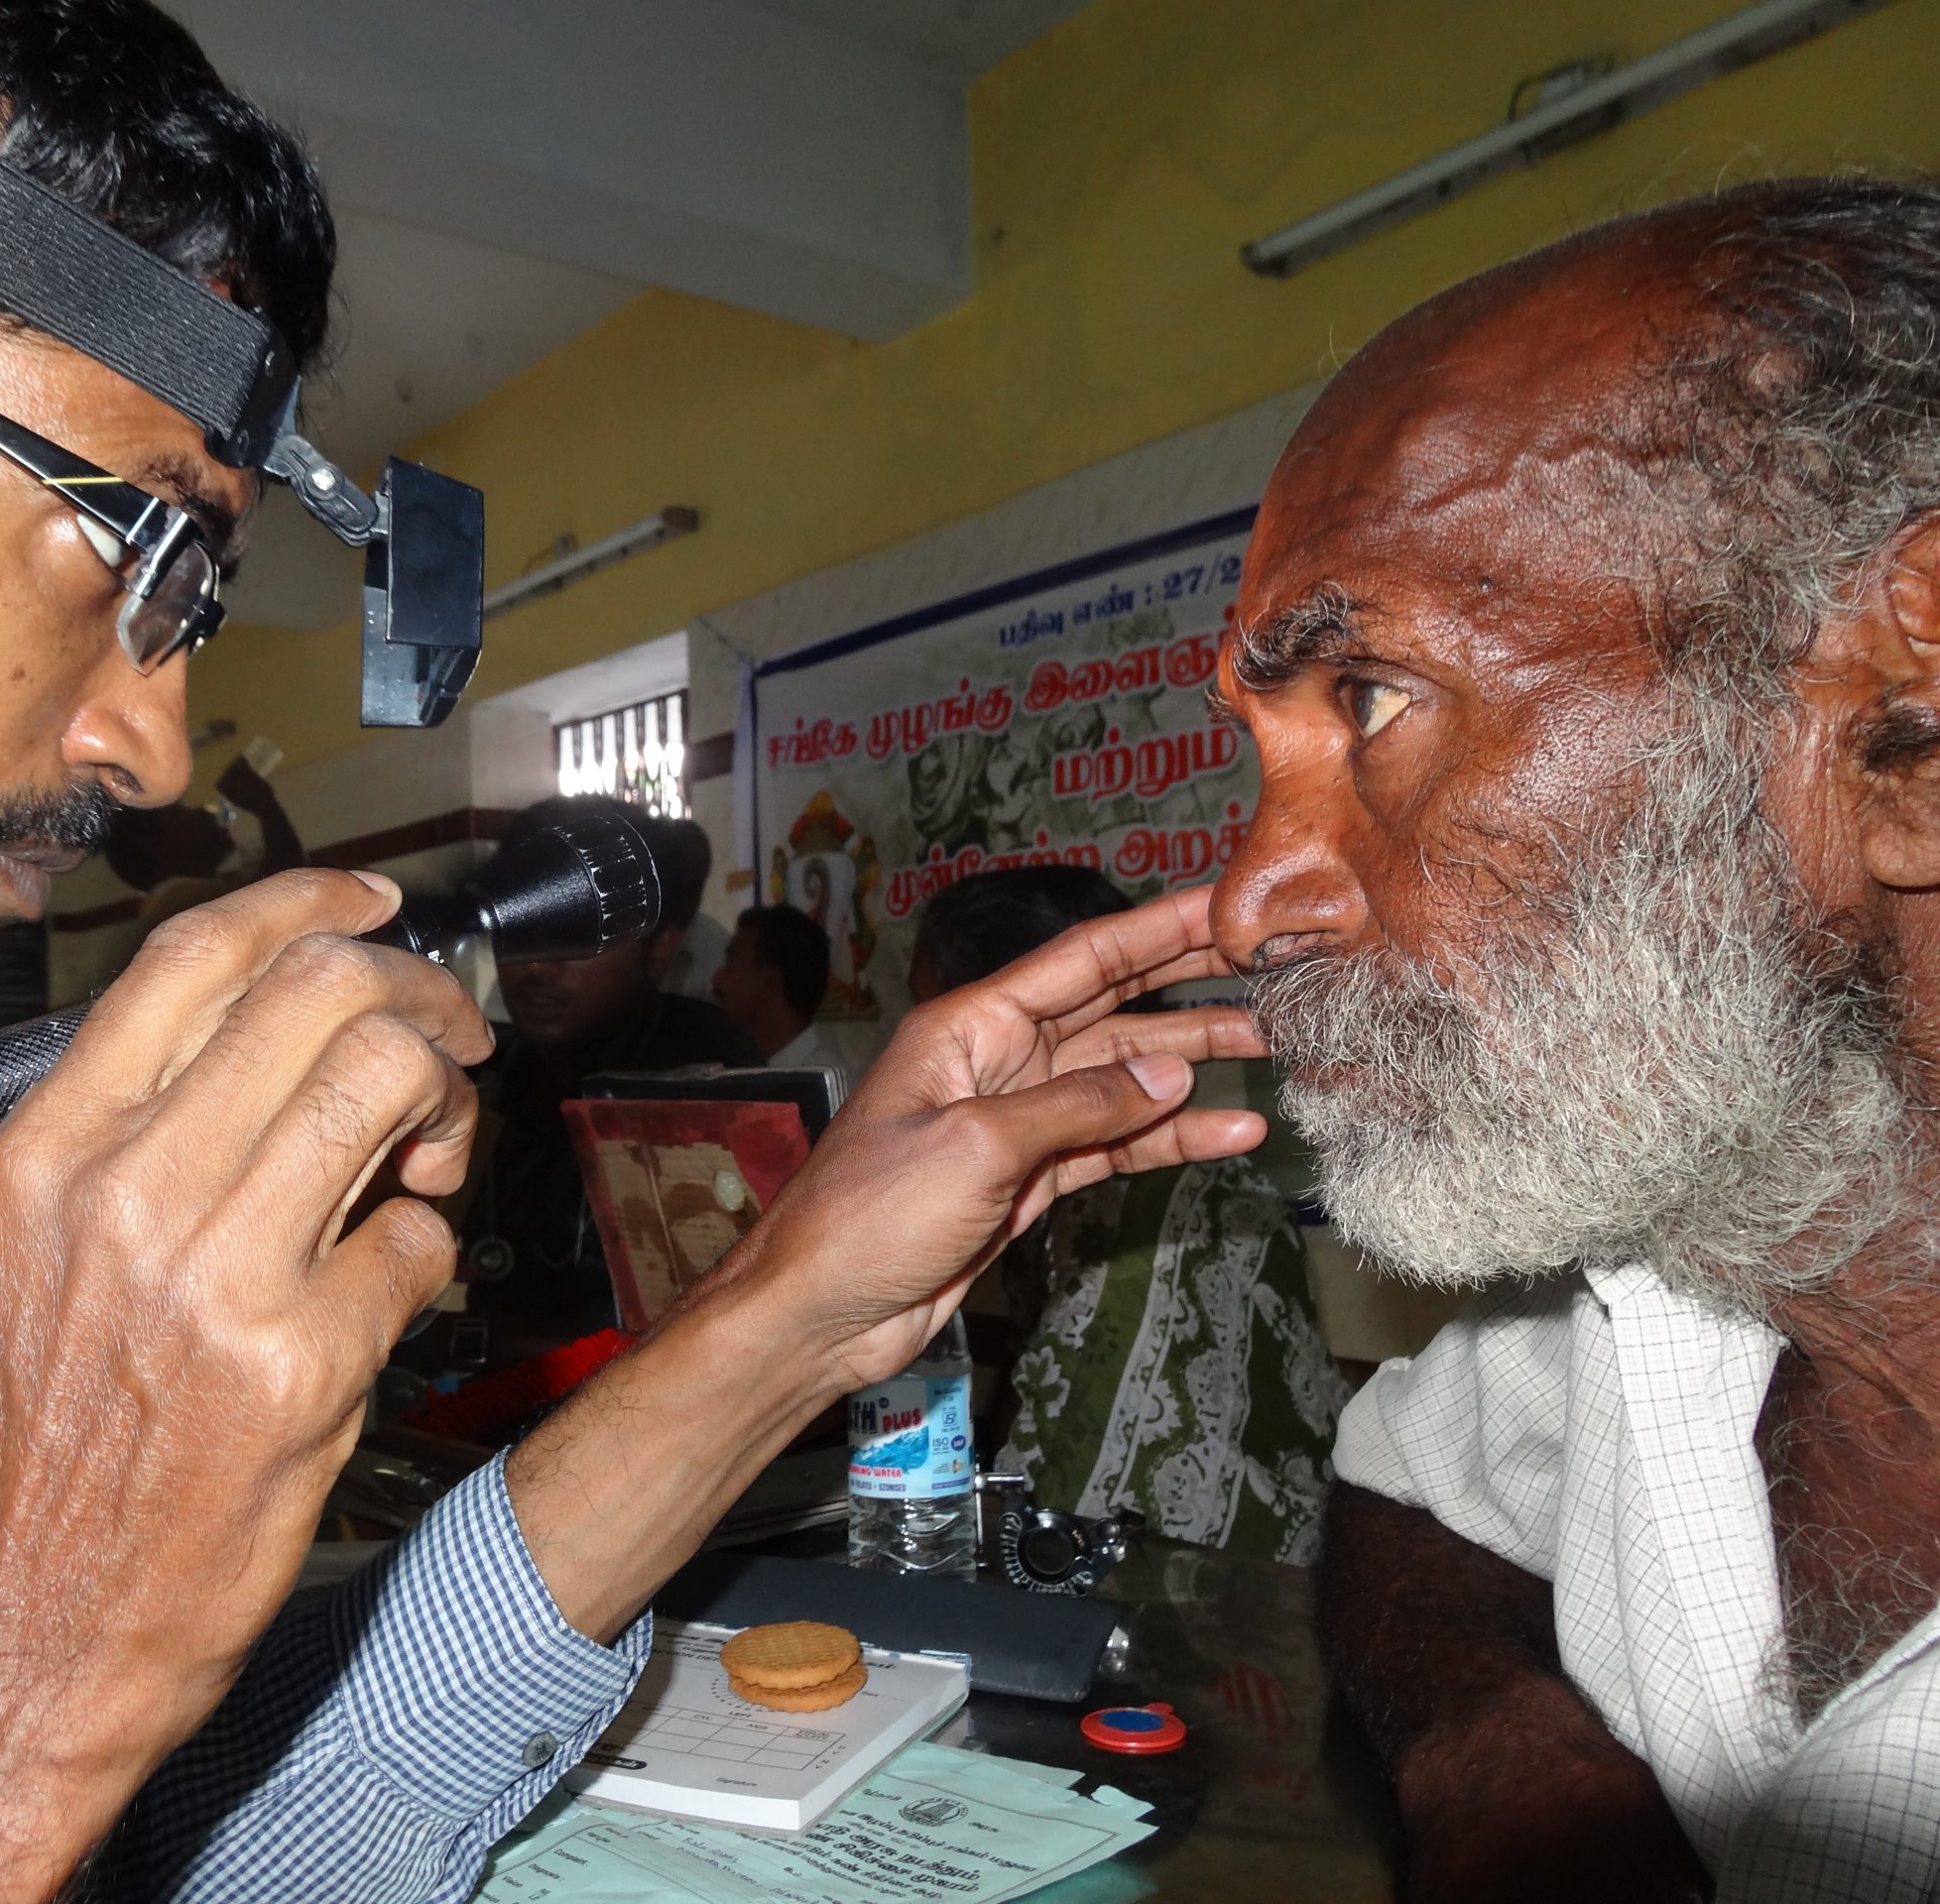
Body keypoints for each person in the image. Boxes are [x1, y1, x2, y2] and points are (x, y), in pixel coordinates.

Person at [0, 6, 1278, 1900]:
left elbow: (99, 1847)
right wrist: (1, 1700)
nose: (147, 746)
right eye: (130, 545)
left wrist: (787, 1316)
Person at [1211, 178, 1940, 1902]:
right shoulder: (1687, 1261)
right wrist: (1498, 1748)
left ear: (1902, 711)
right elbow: (1407, 1482)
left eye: (1372, 700)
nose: (1254, 904)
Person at [910, 867, 1346, 1562]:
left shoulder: (1182, 1208)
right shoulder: (1052, 1195)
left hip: (1239, 1621)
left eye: (939, 1039)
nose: (924, 1087)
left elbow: (1085, 1512)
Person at [461, 795, 763, 1356]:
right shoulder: (488, 1077)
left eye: (575, 935)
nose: (535, 966)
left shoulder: (707, 1074)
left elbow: (724, 1331)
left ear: (659, 950)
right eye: (519, 929)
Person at [712, 902, 868, 1086]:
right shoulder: (743, 1072)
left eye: (731, 962)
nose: (717, 978)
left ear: (769, 983)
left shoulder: (833, 1094)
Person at [656, 815, 732, 1002]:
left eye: (692, 890)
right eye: (674, 886)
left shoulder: (718, 951)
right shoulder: (624, 940)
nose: (682, 902)